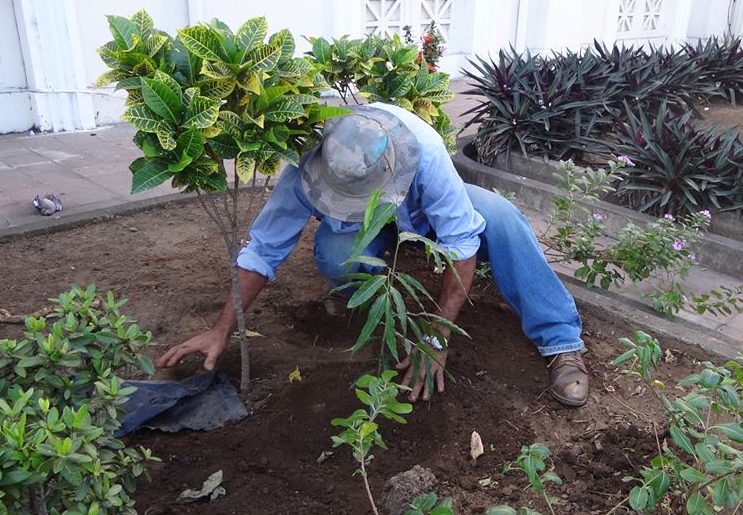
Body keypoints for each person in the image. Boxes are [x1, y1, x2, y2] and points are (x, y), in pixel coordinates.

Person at [157, 102, 590, 406]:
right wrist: (221, 329)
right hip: (371, 230)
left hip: (417, 212)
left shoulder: (423, 151)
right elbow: (263, 250)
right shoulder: (310, 166)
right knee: (336, 253)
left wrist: (435, 338)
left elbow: (461, 245)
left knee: (502, 219)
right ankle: (365, 300)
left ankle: (560, 340)